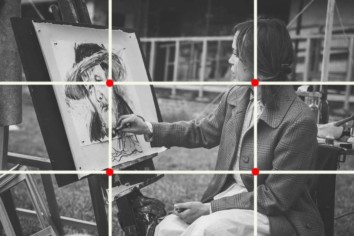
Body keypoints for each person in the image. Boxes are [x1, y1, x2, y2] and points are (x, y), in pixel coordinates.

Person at [117, 18, 324, 236]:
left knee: (207, 229)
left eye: (236, 53)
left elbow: (274, 198)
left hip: (278, 216)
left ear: (257, 61)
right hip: (233, 199)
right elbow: (201, 131)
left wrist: (209, 209)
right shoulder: (237, 96)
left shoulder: (299, 120)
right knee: (167, 228)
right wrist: (148, 128)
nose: (230, 60)